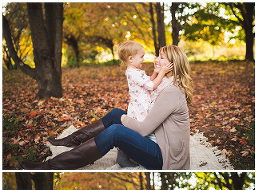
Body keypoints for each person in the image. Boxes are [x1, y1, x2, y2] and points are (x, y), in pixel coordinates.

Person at [23, 45, 193, 170]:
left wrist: (124, 120)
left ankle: (52, 166)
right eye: (158, 55)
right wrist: (122, 116)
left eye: (161, 57)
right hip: (157, 142)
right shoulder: (164, 84)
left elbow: (143, 129)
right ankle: (70, 142)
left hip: (164, 157)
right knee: (116, 113)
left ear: (172, 64)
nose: (156, 59)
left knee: (116, 130)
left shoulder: (170, 92)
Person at [115, 40, 174, 167]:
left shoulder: (136, 71)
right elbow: (151, 86)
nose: (143, 59)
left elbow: (148, 81)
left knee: (142, 130)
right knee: (141, 130)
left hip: (143, 103)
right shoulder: (133, 73)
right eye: (141, 57)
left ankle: (132, 151)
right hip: (140, 107)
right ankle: (124, 153)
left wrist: (155, 72)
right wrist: (162, 72)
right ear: (131, 59)